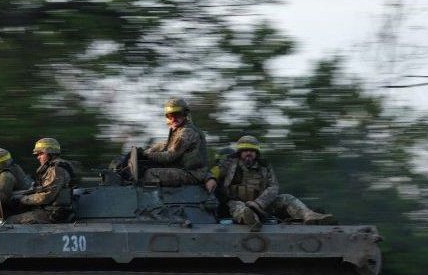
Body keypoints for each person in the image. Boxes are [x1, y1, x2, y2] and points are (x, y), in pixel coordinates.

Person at [204, 135, 333, 226]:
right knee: (237, 206)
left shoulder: (265, 167)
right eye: (245, 151)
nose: (248, 153)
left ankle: (309, 215)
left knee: (287, 198)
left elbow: (273, 187)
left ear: (256, 153)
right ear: (239, 153)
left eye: (252, 151)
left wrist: (259, 203)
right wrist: (211, 178)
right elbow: (214, 171)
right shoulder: (229, 164)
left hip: (262, 205)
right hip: (236, 203)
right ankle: (252, 220)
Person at [140, 97, 210, 186]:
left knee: (151, 173)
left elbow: (170, 156)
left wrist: (147, 155)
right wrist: (147, 151)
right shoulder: (179, 131)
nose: (173, 119)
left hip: (193, 174)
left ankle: (155, 199)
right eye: (169, 116)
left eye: (177, 114)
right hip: (186, 171)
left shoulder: (187, 131)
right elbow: (164, 145)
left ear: (185, 114)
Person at [6, 137, 74, 224]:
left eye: (41, 154)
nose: (38, 157)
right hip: (51, 210)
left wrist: (23, 200)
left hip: (54, 213)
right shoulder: (52, 167)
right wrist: (17, 195)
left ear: (50, 153)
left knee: (9, 221)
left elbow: (47, 196)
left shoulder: (56, 169)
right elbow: (41, 189)